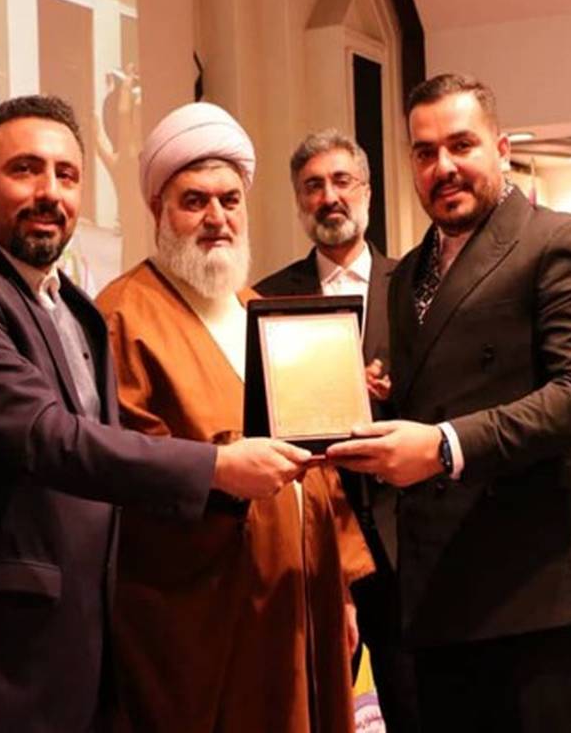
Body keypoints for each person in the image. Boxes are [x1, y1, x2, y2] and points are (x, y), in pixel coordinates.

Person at [0, 95, 309, 733]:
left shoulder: (73, 307)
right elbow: (47, 437)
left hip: (88, 653)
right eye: (25, 170)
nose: (49, 192)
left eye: (67, 175)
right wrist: (217, 467)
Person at [327, 74, 571, 732]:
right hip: (440, 595)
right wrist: (378, 400)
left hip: (539, 598)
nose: (443, 166)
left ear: (501, 148)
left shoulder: (560, 241)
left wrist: (443, 446)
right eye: (424, 152)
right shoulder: (407, 275)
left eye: (461, 145)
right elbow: (440, 393)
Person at [95, 103, 373, 733]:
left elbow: (318, 457)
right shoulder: (124, 315)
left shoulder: (259, 309)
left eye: (230, 200)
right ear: (158, 210)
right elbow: (127, 467)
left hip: (301, 593)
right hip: (207, 610)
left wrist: (341, 587)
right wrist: (224, 473)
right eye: (194, 201)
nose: (217, 218)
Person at [255, 130, 418, 731]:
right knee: (314, 705)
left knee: (415, 702)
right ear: (299, 200)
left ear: (367, 192)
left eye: (341, 181)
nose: (329, 197)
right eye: (313, 186)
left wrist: (397, 393)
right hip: (314, 536)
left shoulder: (415, 287)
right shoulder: (267, 297)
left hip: (406, 535)